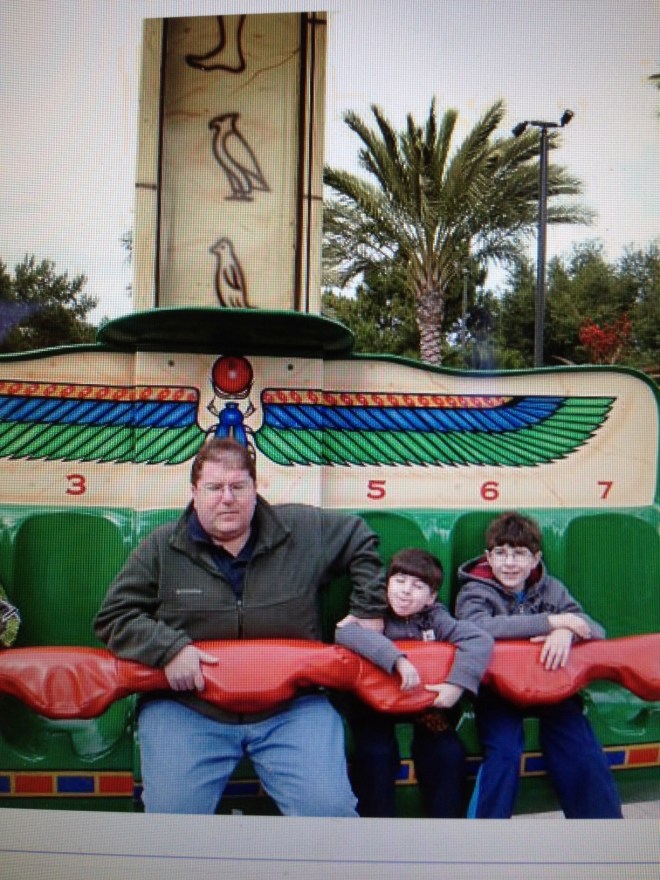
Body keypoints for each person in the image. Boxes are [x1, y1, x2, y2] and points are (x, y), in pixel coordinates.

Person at [94, 437, 387, 816]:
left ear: (254, 487)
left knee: (329, 814)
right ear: (195, 492)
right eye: (214, 487)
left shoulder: (302, 529)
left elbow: (360, 537)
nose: (227, 498)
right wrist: (168, 649)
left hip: (292, 706)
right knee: (171, 820)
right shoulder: (161, 548)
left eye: (238, 486)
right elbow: (114, 616)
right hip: (188, 708)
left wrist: (369, 607)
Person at [455, 511, 622, 819]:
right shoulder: (474, 590)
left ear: (535, 559)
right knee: (504, 752)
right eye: (501, 553)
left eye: (519, 554)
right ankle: (484, 834)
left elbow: (593, 628)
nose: (509, 563)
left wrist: (567, 631)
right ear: (488, 558)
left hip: (550, 685)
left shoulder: (551, 588)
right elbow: (475, 625)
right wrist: (551, 622)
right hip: (497, 690)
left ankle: (602, 832)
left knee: (582, 750)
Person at [336, 548, 493, 817]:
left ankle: (444, 828)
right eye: (399, 581)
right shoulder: (374, 613)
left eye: (418, 586)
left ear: (431, 597)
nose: (406, 591)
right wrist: (396, 658)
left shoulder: (435, 618)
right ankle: (376, 827)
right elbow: (345, 632)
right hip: (375, 706)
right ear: (387, 584)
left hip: (422, 705)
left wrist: (456, 686)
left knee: (447, 752)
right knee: (375, 754)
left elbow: (479, 640)